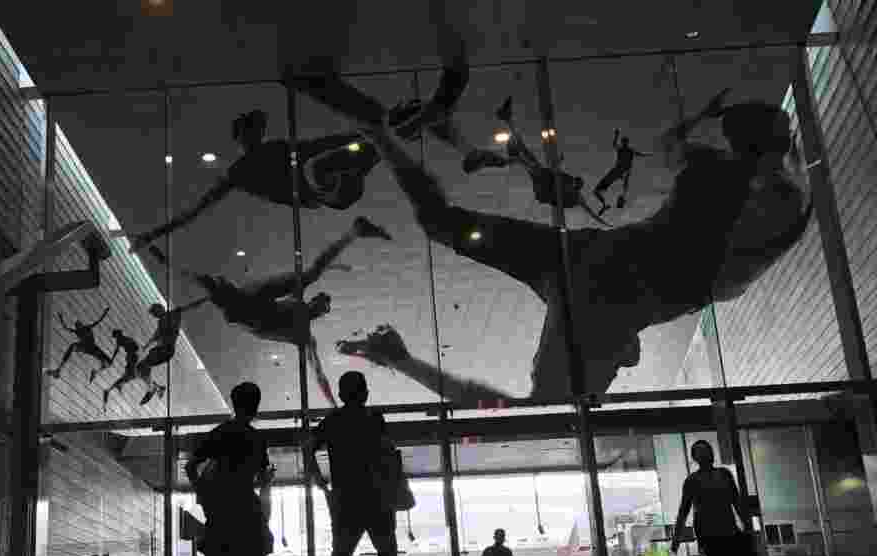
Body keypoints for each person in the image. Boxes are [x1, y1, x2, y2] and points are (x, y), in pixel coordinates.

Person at [294, 63, 810, 404]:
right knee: (443, 224)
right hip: (603, 288)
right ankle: (376, 135)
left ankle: (377, 134)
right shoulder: (749, 192)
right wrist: (403, 363)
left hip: (586, 261)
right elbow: (495, 405)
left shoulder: (721, 177)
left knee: (441, 222)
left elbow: (676, 155)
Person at [124, 62, 470, 261]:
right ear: (245, 136)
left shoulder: (274, 148)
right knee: (324, 163)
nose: (258, 133)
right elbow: (197, 210)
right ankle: (423, 120)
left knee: (383, 130)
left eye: (257, 128)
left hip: (338, 168)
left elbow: (318, 143)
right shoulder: (240, 172)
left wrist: (365, 133)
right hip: (323, 186)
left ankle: (432, 111)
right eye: (253, 130)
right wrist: (152, 234)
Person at [182, 216, 392, 406]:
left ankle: (354, 233)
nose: (320, 305)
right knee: (309, 276)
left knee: (303, 279)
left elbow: (319, 375)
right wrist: (333, 268)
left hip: (253, 314)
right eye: (320, 301)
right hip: (255, 306)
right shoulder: (298, 310)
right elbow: (312, 272)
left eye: (323, 305)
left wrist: (334, 406)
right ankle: (354, 233)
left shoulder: (304, 335)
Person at [303, 371, 410, 556]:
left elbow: (307, 448)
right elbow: (388, 453)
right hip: (377, 500)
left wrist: (320, 482)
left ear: (341, 394)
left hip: (346, 501)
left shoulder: (333, 421)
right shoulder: (375, 418)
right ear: (364, 392)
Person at [180, 382, 274, 556]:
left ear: (234, 403)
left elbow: (190, 467)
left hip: (221, 515)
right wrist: (266, 482)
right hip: (247, 513)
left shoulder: (218, 433)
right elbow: (261, 479)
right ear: (256, 406)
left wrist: (204, 495)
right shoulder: (257, 440)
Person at [465, 96, 611, 227]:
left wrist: (604, 223)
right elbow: (556, 172)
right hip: (544, 179)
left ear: (577, 187)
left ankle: (512, 153)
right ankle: (508, 123)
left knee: (527, 161)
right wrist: (558, 163)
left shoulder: (576, 196)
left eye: (576, 184)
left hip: (544, 188)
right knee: (526, 155)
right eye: (575, 181)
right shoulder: (568, 182)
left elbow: (589, 211)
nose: (574, 183)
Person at [671, 440, 752, 556]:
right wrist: (675, 541)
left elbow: (736, 502)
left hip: (729, 531)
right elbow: (683, 512)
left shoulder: (724, 474)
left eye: (707, 450)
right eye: (701, 452)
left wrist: (747, 528)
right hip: (710, 535)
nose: (706, 454)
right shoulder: (692, 481)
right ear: (695, 458)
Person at [135, 298, 211, 405]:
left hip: (167, 349)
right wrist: (146, 346)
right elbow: (155, 336)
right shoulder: (160, 322)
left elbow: (191, 306)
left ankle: (153, 388)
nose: (155, 315)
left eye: (155, 313)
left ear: (160, 309)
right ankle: (156, 387)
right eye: (153, 314)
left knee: (143, 366)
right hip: (160, 349)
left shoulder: (173, 314)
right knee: (140, 368)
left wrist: (205, 300)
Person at [593, 129, 651, 215]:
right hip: (616, 171)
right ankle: (605, 205)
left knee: (625, 183)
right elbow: (614, 145)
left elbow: (640, 154)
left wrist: (649, 154)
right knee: (596, 191)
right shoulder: (622, 149)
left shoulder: (630, 150)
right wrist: (616, 135)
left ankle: (621, 199)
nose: (623, 144)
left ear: (627, 143)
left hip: (621, 172)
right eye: (623, 142)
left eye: (625, 142)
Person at [45, 307, 112, 383]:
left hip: (93, 348)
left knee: (108, 362)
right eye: (77, 326)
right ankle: (58, 370)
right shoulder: (77, 331)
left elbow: (99, 321)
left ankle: (96, 372)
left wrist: (105, 312)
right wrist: (61, 318)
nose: (78, 327)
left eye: (79, 325)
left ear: (81, 324)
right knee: (73, 346)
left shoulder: (87, 327)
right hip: (85, 348)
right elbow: (66, 328)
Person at [102, 329, 140, 411]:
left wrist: (112, 358)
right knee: (132, 375)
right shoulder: (123, 339)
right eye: (116, 336)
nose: (116, 338)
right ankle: (111, 388)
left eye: (115, 336)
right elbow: (134, 347)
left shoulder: (122, 340)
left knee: (131, 375)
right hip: (132, 357)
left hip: (132, 357)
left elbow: (118, 350)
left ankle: (114, 387)